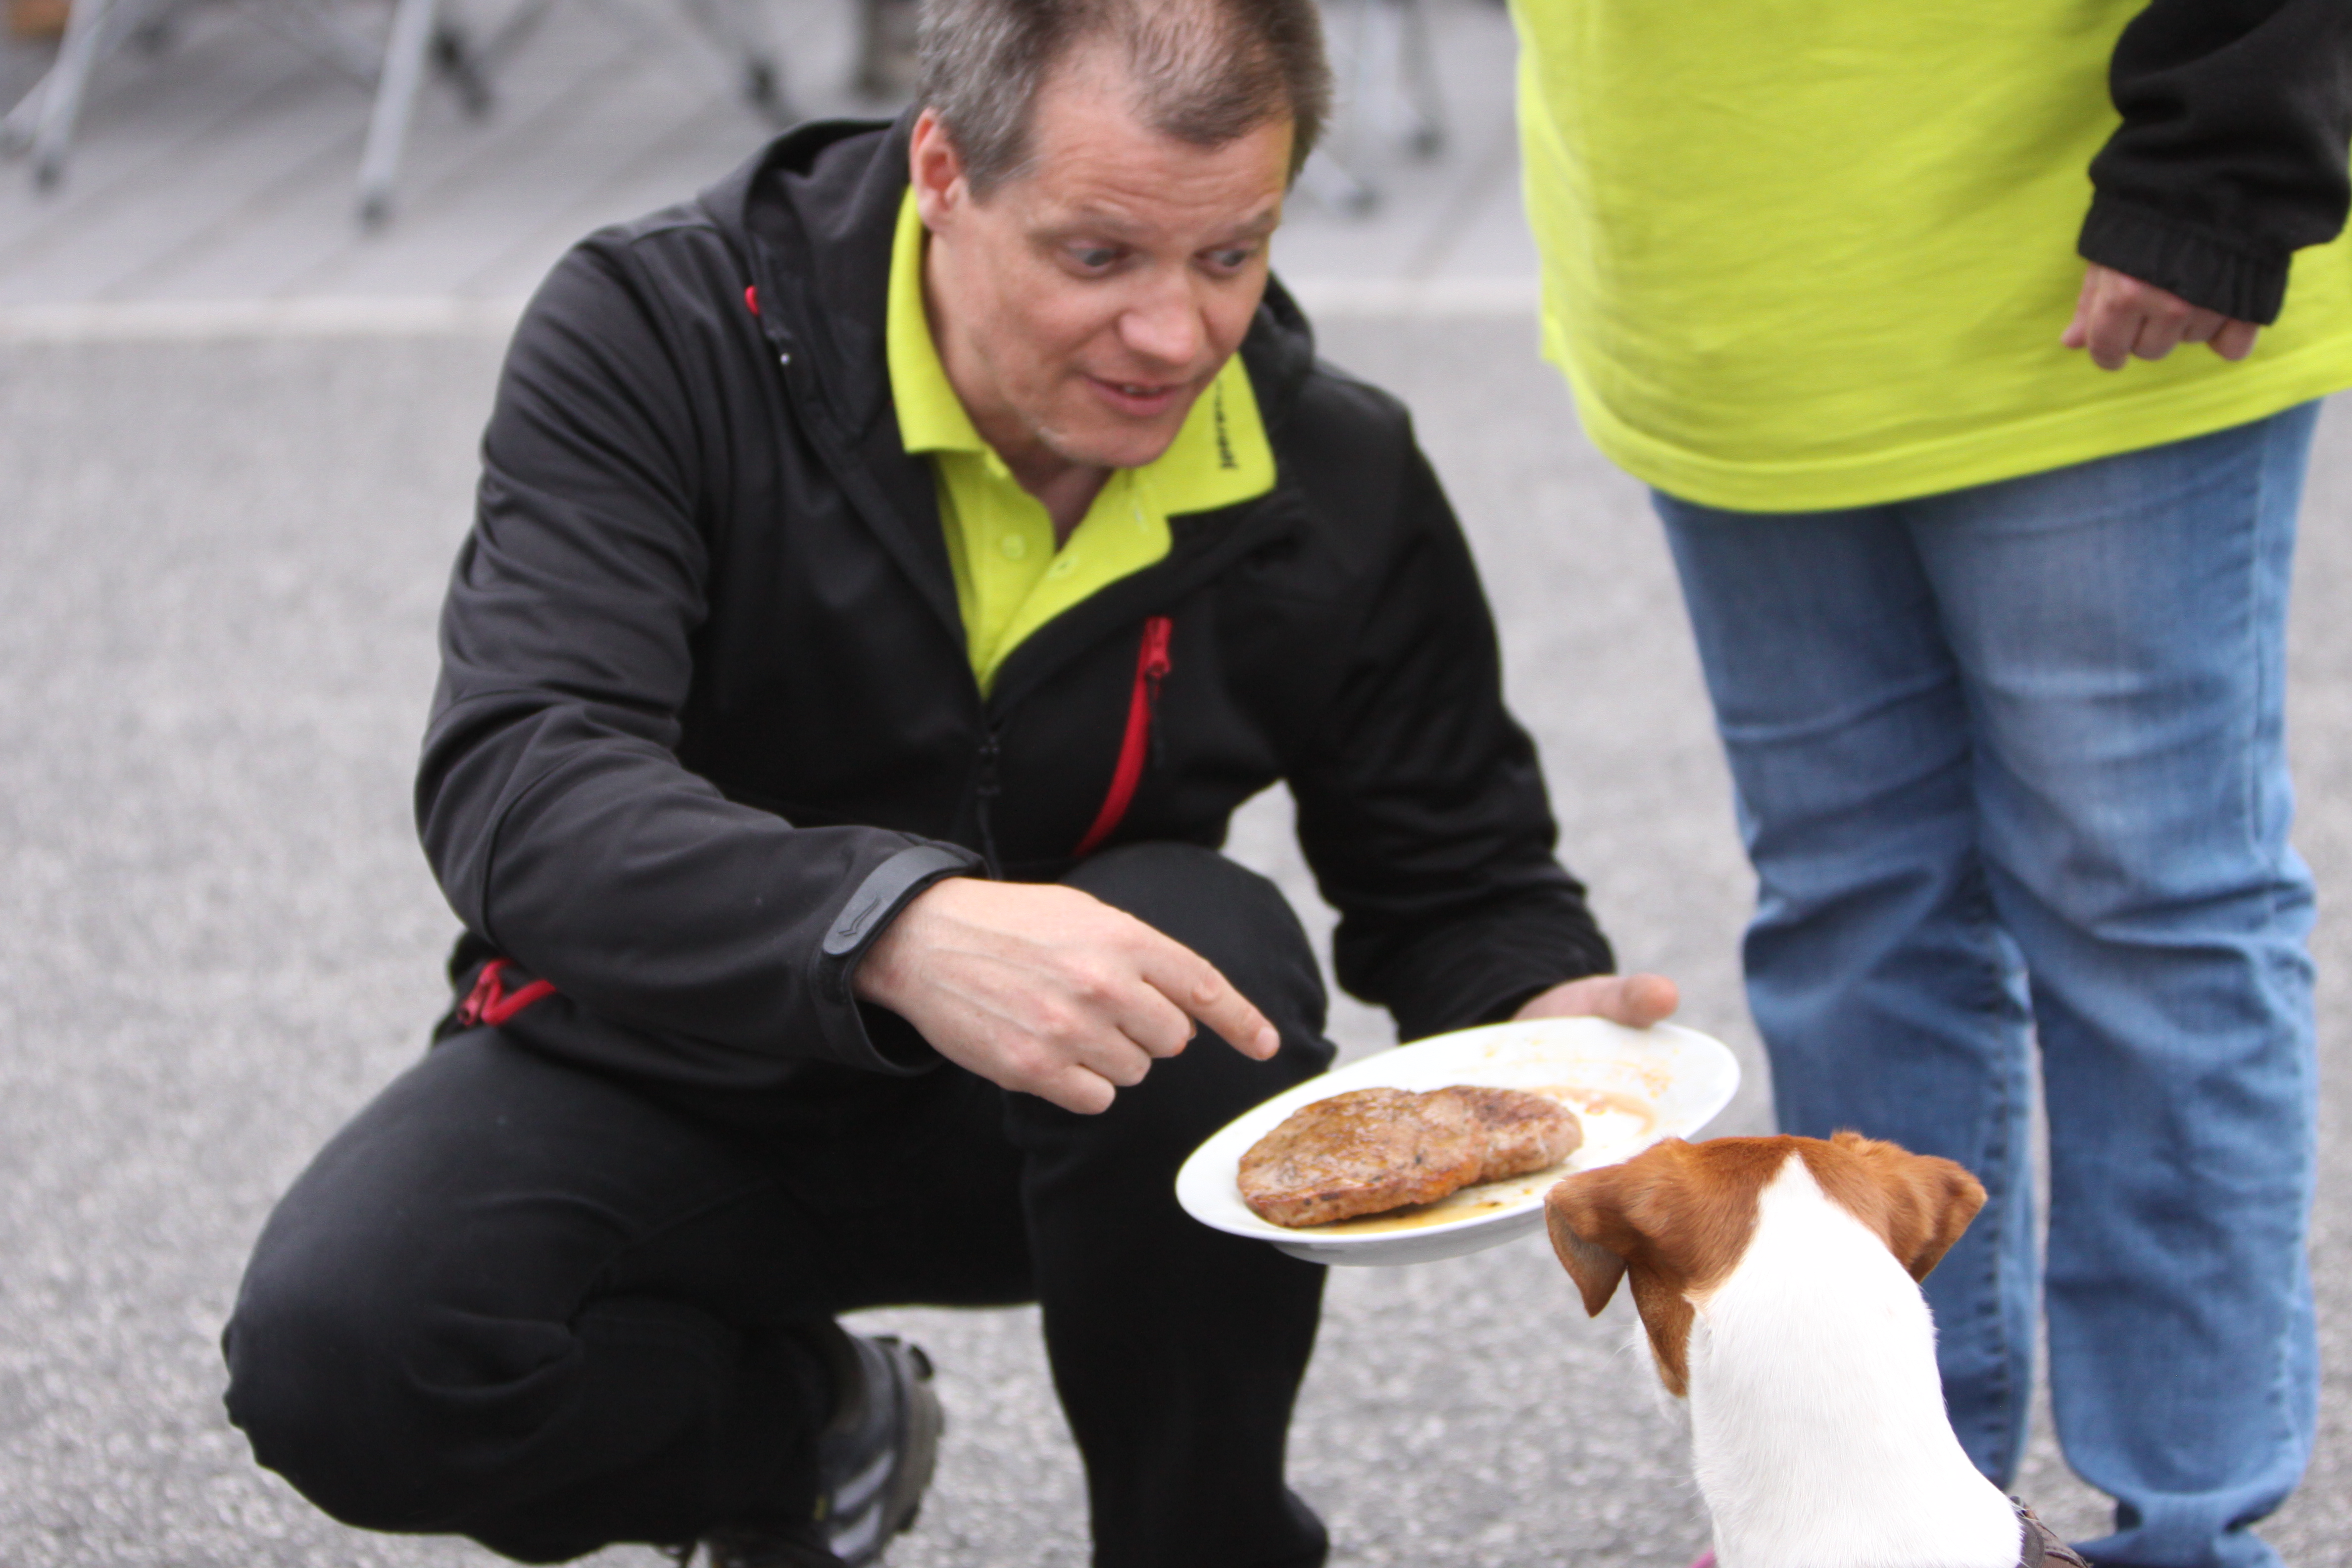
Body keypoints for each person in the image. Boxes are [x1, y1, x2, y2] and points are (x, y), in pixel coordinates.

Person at [218, 0, 1675, 1564]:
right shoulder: (662, 334)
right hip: (673, 1064)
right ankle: (812, 1431)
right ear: (942, 171)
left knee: (1203, 955)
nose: (1176, 336)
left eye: (1231, 254)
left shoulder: (1331, 464)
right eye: (1098, 256)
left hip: (1072, 1126)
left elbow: (1456, 869)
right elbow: (524, 776)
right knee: (346, 1363)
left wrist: (1542, 1014)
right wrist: (894, 925)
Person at [1507, 2, 2352, 1566]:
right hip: (1719, 275)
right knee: (1853, 914)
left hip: (2081, 237)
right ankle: (1886, 1518)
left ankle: (2189, 1533)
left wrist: (2226, 150)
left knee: (2147, 916)